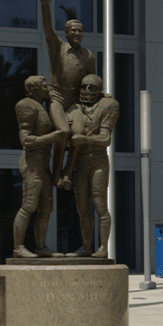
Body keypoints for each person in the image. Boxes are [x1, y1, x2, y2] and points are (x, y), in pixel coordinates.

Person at [39, 0, 96, 192]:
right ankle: (56, 171)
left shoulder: (88, 56)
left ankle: (67, 172)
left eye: (80, 31)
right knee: (63, 132)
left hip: (75, 102)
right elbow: (47, 29)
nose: (77, 34)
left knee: (78, 133)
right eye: (74, 31)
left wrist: (100, 95)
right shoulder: (58, 47)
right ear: (66, 32)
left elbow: (92, 80)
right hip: (56, 97)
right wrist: (45, 5)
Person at [66, 74, 118, 258]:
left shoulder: (108, 106)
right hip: (80, 161)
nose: (86, 92)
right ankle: (86, 246)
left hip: (97, 160)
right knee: (82, 207)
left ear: (99, 90)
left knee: (100, 204)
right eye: (84, 87)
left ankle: (103, 248)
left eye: (91, 88)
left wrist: (84, 139)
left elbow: (105, 139)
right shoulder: (75, 109)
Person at [12, 76, 63, 258]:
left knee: (47, 207)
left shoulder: (43, 106)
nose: (47, 88)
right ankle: (18, 247)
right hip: (32, 161)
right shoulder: (25, 105)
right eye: (43, 86)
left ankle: (40, 247)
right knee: (29, 205)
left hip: (44, 163)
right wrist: (53, 137)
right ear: (33, 90)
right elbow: (25, 140)